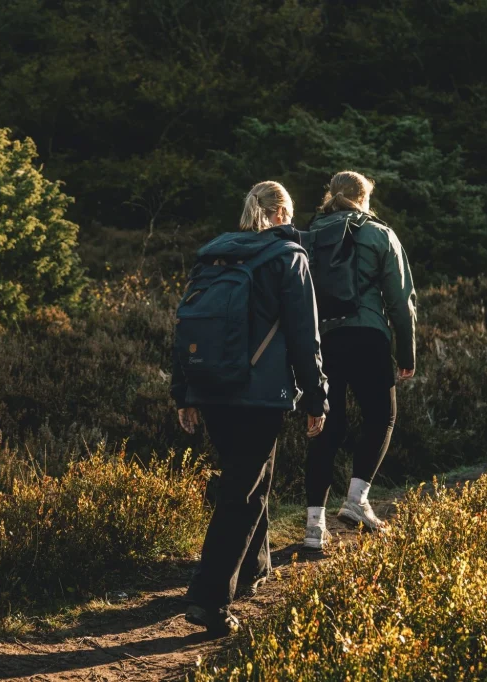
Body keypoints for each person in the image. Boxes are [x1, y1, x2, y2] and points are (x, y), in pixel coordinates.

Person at [171, 180, 329, 636]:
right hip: (260, 395)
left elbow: (182, 327)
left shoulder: (214, 256)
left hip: (211, 388)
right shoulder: (288, 258)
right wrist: (316, 398)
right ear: (281, 212)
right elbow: (305, 336)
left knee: (250, 480)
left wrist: (184, 392)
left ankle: (251, 573)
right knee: (241, 492)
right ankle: (208, 599)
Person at [303, 170, 417, 551]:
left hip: (324, 341)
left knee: (324, 428)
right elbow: (401, 302)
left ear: (330, 196)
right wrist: (406, 352)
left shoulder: (310, 235)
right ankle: (357, 500)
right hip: (368, 336)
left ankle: (313, 527)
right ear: (364, 198)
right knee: (381, 416)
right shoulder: (380, 233)